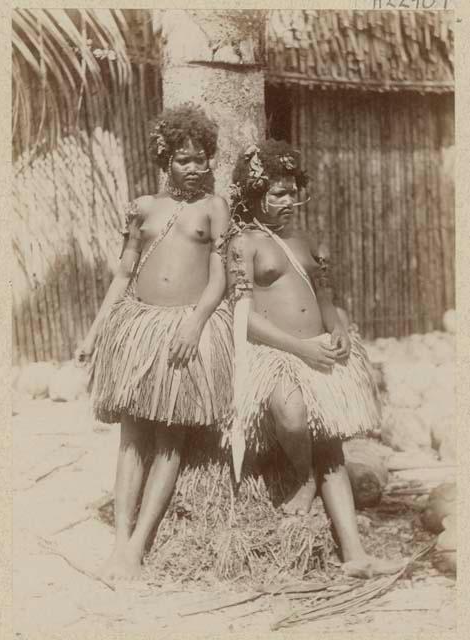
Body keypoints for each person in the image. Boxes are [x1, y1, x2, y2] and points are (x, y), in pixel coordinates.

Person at [226, 140, 403, 577]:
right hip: (277, 353)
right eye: (278, 193)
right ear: (255, 193)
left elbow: (324, 295)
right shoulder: (243, 244)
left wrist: (338, 328)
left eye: (293, 192)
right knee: (291, 414)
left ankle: (355, 554)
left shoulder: (305, 241)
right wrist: (299, 347)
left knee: (333, 449)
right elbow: (241, 315)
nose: (289, 202)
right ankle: (302, 476)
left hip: (320, 348)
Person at [75, 104, 232, 580]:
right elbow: (124, 273)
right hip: (138, 327)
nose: (195, 166)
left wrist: (196, 323)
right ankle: (120, 543)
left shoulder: (215, 208)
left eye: (201, 157)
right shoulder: (142, 208)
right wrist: (96, 331)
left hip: (185, 330)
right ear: (166, 160)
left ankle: (139, 546)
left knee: (170, 439)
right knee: (131, 437)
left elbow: (220, 277)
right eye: (184, 159)